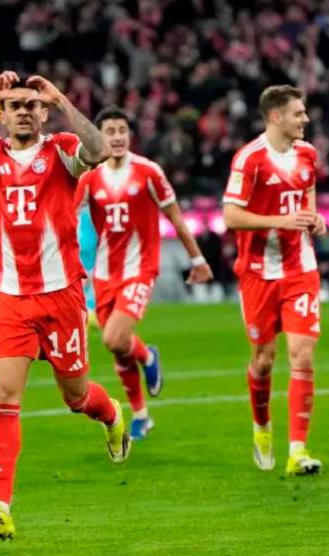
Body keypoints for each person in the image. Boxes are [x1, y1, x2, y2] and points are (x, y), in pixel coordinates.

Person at [0, 71, 126, 540]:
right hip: (9, 297)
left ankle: (112, 415)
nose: (22, 110)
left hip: (61, 296)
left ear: (43, 113)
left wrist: (60, 97)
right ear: (2, 113)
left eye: (31, 104)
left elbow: (98, 152)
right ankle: (1, 507)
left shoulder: (61, 149)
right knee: (4, 397)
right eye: (13, 104)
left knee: (76, 398)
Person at [76, 107, 214, 440]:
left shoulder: (148, 172)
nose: (117, 136)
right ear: (99, 136)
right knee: (117, 348)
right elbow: (66, 217)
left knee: (113, 338)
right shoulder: (90, 177)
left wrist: (198, 261)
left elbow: (176, 218)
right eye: (109, 131)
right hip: (105, 273)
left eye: (122, 129)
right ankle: (141, 415)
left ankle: (148, 355)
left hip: (140, 270)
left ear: (130, 134)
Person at [222, 85, 327, 476]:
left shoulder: (308, 154)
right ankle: (262, 426)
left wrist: (313, 218)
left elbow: (307, 191)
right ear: (276, 117)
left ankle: (298, 450)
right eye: (299, 113)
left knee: (302, 353)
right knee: (263, 361)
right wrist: (279, 221)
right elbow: (230, 216)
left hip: (300, 269)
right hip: (257, 274)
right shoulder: (249, 160)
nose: (306, 119)